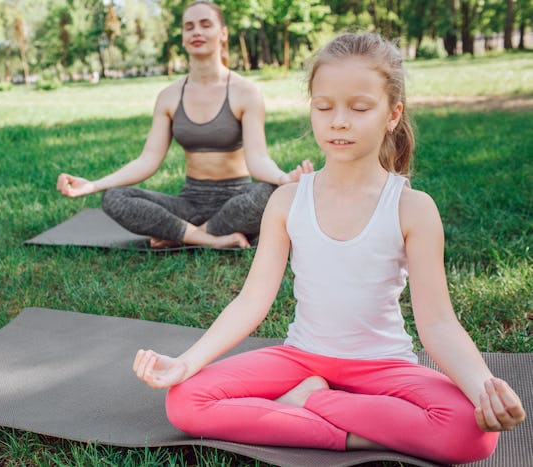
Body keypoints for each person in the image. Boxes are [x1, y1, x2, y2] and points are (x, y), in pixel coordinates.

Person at [132, 32, 525, 464]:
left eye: (359, 108)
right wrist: (186, 363)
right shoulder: (287, 200)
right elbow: (251, 301)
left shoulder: (413, 208)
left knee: (474, 434)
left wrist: (484, 388)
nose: (339, 121)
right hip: (301, 359)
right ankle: (357, 431)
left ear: (392, 114)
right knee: (185, 401)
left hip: (384, 367)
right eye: (324, 107)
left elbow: (438, 325)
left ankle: (308, 405)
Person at [56, 1, 313, 249]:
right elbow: (147, 160)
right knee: (114, 197)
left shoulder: (246, 92)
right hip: (189, 203)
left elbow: (257, 159)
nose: (196, 31)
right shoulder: (168, 96)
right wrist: (94, 185)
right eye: (189, 27)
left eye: (205, 24)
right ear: (182, 37)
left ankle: (183, 235)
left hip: (237, 200)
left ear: (222, 33)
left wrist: (283, 179)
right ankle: (212, 238)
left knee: (269, 194)